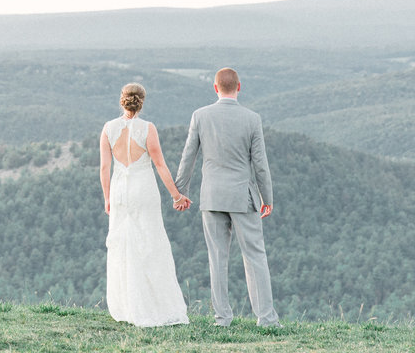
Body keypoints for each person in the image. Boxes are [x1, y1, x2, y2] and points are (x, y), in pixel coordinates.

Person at [174, 67, 280, 327]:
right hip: (243, 196)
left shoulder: (200, 116)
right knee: (255, 256)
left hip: (211, 196)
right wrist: (267, 197)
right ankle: (266, 318)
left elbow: (188, 157)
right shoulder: (252, 119)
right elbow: (261, 164)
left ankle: (222, 318)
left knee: (217, 258)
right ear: (239, 87)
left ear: (215, 87)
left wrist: (180, 192)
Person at [99, 82, 191, 327]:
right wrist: (177, 196)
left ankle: (127, 306)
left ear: (122, 100)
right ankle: (153, 305)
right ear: (142, 102)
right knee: (150, 244)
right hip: (143, 190)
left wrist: (107, 197)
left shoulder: (108, 128)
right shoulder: (147, 129)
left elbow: (105, 168)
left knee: (123, 246)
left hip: (119, 192)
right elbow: (160, 165)